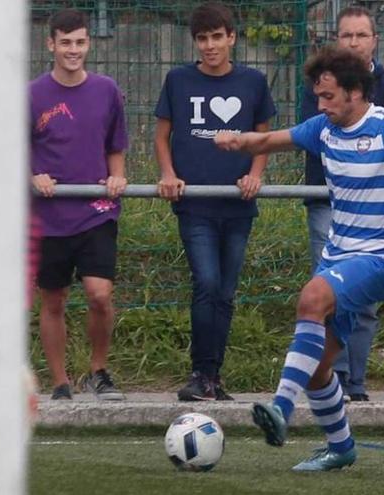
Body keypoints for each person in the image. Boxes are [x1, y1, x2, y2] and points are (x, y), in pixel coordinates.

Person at [216, 46, 384, 471]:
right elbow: (271, 140)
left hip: (381, 258)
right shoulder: (322, 129)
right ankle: (341, 447)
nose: (322, 104)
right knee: (317, 366)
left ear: (354, 93)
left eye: (329, 96)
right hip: (339, 257)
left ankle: (280, 408)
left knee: (311, 298)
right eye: (318, 97)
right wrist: (238, 140)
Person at [155, 2, 277, 401]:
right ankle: (199, 372)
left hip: (237, 206)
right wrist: (168, 174)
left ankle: (214, 377)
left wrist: (255, 175)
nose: (209, 46)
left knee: (225, 291)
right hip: (196, 205)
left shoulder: (253, 82)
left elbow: (264, 137)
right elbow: (161, 135)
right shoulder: (178, 80)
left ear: (231, 38)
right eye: (202, 39)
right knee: (205, 282)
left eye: (216, 37)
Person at [300, 6, 384, 403]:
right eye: (346, 36)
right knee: (323, 296)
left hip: (380, 207)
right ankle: (329, 377)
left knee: (359, 301)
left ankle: (353, 382)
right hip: (331, 199)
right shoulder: (321, 89)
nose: (353, 42)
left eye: (361, 35)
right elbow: (309, 133)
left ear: (374, 40)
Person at [31, 9, 128, 401]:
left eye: (81, 42)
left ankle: (98, 371)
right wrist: (32, 177)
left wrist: (117, 175)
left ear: (89, 44)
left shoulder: (107, 90)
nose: (74, 50)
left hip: (96, 211)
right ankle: (59, 382)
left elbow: (115, 146)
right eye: (66, 42)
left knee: (99, 293)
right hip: (48, 217)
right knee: (53, 299)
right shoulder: (32, 94)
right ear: (51, 44)